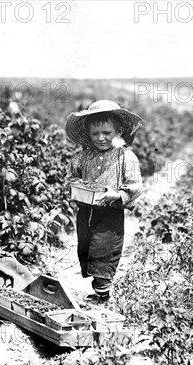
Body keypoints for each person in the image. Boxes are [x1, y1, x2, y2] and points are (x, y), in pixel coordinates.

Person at [65, 100, 143, 304]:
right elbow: (72, 176)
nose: (101, 138)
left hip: (110, 212)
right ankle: (98, 288)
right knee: (86, 248)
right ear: (88, 133)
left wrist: (117, 195)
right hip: (85, 211)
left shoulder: (126, 157)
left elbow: (134, 184)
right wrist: (77, 187)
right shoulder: (83, 156)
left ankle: (102, 294)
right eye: (95, 134)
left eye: (107, 133)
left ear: (118, 131)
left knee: (104, 249)